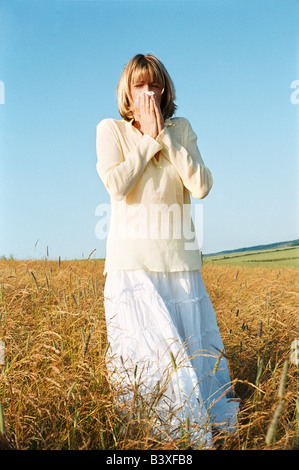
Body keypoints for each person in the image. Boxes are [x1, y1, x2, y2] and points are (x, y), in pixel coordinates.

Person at [96, 53, 239, 447]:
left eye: (154, 85)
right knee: (147, 362)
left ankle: (194, 437)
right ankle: (148, 440)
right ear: (128, 90)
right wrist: (145, 139)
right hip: (131, 267)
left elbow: (202, 185)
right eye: (140, 85)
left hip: (179, 265)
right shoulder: (110, 130)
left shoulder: (182, 129)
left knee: (189, 360)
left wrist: (166, 139)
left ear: (164, 90)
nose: (148, 92)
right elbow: (116, 186)